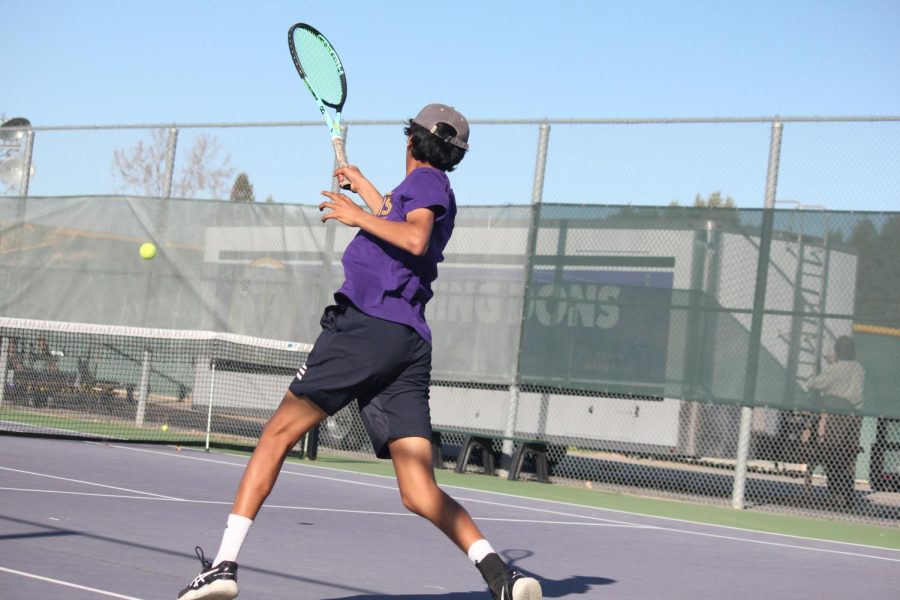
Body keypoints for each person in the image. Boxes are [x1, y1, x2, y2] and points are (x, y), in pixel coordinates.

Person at [178, 104, 543, 600]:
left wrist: (354, 214)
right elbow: (399, 218)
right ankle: (502, 576)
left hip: (368, 328)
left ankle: (223, 565)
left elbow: (412, 237)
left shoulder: (428, 185)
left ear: (410, 141)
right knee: (418, 490)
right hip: (407, 345)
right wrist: (365, 188)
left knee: (276, 435)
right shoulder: (427, 190)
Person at [805, 335, 865, 507]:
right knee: (849, 455)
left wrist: (831, 366)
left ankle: (836, 493)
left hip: (839, 415)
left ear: (838, 352)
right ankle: (847, 493)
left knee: (833, 453)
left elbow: (815, 384)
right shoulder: (859, 368)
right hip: (856, 415)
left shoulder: (835, 369)